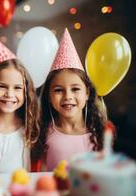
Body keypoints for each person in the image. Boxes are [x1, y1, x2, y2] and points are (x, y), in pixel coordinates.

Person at [34, 28, 107, 171]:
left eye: (75, 89)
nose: (68, 96)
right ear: (48, 95)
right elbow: (40, 172)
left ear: (87, 93)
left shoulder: (98, 131)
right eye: (58, 90)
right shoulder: (44, 132)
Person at [0, 33, 40, 173]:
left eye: (17, 88)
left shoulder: (30, 127)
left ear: (26, 92)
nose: (9, 94)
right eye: (2, 86)